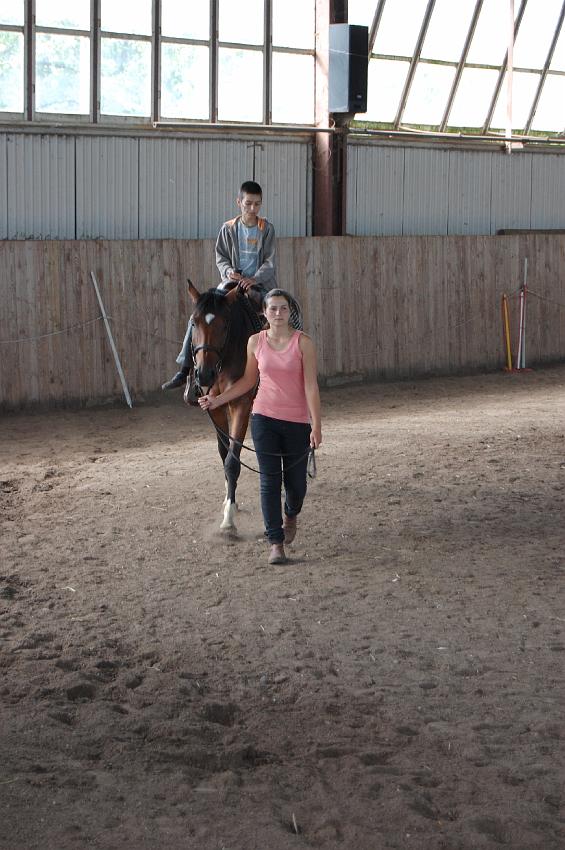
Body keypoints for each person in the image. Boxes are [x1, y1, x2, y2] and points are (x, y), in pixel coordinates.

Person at [198, 289, 322, 566]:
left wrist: (316, 425)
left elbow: (311, 386)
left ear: (290, 312)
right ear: (264, 313)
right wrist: (217, 399)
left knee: (296, 487)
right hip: (264, 419)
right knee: (269, 481)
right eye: (273, 309)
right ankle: (275, 543)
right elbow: (247, 382)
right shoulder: (255, 342)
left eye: (283, 308)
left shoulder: (304, 343)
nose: (278, 313)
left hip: (297, 421)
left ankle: (291, 514)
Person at [162, 180, 278, 391]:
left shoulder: (266, 229)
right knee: (199, 316)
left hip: (258, 284)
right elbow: (221, 257)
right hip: (231, 283)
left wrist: (254, 278)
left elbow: (270, 262)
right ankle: (185, 368)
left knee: (278, 311)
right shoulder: (228, 228)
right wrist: (228, 271)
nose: (253, 209)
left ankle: (282, 368)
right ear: (239, 202)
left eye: (257, 204)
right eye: (248, 203)